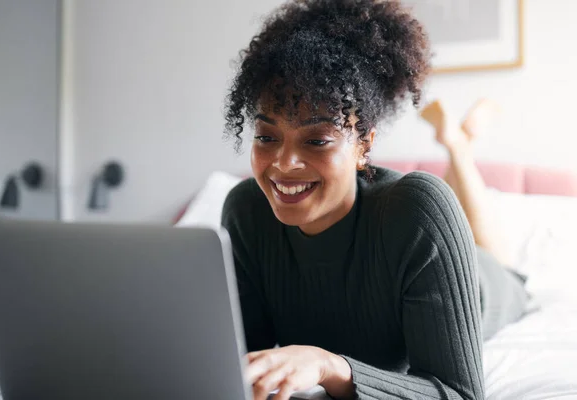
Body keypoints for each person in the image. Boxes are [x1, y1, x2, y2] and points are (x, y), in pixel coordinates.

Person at [220, 1, 528, 399]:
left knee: (491, 250)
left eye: (316, 140)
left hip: (491, 283)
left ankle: (458, 145)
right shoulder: (245, 213)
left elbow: (458, 393)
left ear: (364, 144)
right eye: (266, 137)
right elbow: (243, 365)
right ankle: (458, 142)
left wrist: (330, 366)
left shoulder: (419, 209)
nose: (284, 163)